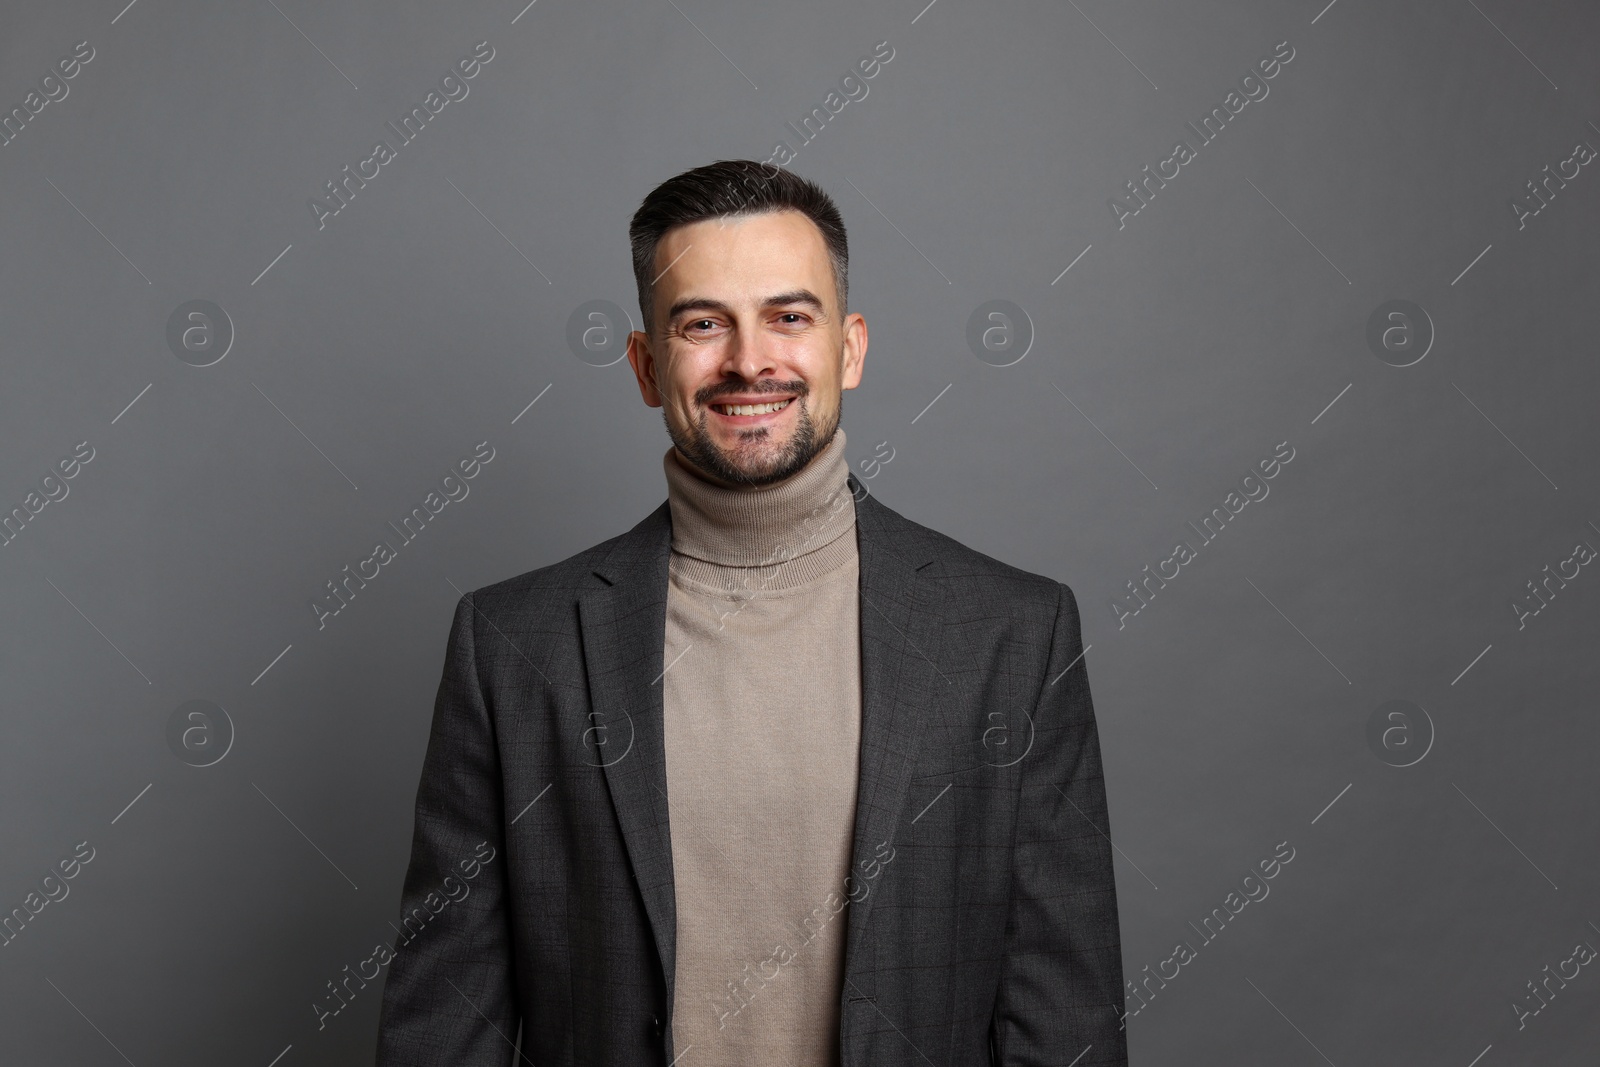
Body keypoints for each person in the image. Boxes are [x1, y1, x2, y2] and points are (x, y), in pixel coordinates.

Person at [375, 159, 1128, 1066]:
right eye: (703, 324)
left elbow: (1065, 1027)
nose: (748, 360)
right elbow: (443, 1030)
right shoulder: (511, 648)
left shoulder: (1016, 636)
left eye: (788, 316)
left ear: (848, 347)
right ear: (649, 366)